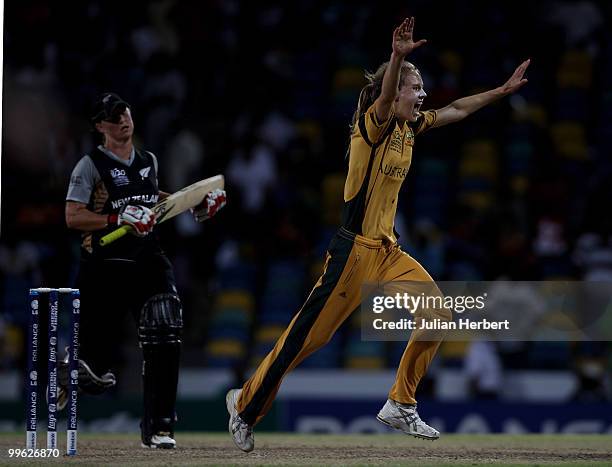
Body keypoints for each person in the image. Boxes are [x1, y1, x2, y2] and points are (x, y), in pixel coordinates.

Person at [225, 17, 529, 452]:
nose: (422, 95)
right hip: (351, 251)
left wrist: (500, 92)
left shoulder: (410, 127)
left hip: (387, 250)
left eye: (421, 88)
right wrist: (397, 57)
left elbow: (457, 109)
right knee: (309, 340)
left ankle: (400, 403)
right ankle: (244, 404)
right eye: (415, 88)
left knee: (438, 314)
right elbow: (385, 96)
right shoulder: (374, 124)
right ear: (395, 90)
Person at [64, 93, 226, 448]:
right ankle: (68, 373)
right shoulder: (90, 165)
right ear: (99, 126)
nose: (122, 119)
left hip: (147, 257)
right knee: (94, 370)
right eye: (113, 116)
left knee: (166, 322)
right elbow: (73, 216)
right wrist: (115, 217)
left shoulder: (147, 160)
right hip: (104, 264)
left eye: (125, 112)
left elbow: (155, 199)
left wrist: (197, 202)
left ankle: (159, 426)